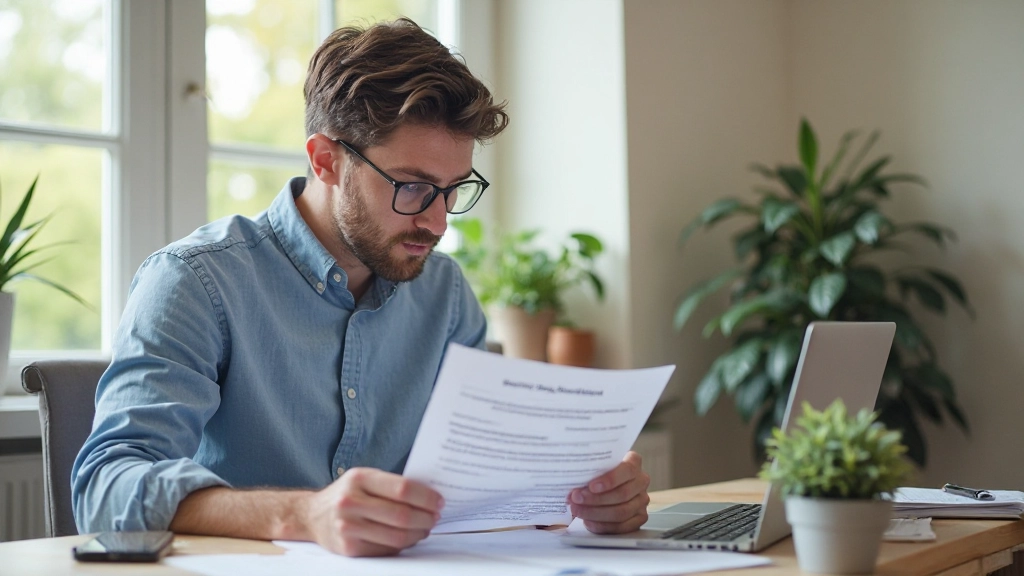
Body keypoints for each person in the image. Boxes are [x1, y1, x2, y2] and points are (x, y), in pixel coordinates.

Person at [72, 18, 651, 558]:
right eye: (412, 187)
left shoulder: (445, 293)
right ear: (326, 161)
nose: (438, 222)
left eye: (454, 188)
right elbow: (105, 487)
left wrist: (577, 499)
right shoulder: (196, 281)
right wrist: (304, 515)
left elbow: (488, 475)